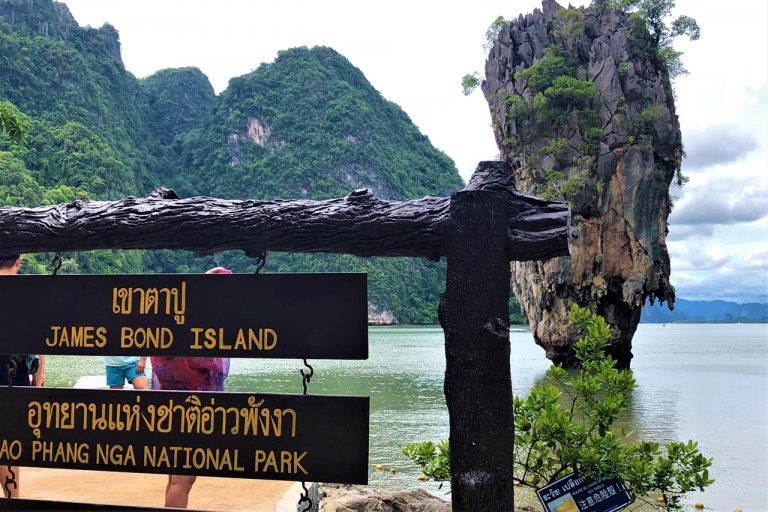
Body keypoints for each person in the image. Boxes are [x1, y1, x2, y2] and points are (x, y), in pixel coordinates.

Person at [151, 266, 232, 508]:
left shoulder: (174, 320)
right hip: (196, 408)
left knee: (175, 477)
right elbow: (216, 365)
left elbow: (161, 367)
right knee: (183, 480)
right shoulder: (205, 327)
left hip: (169, 406)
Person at [0, 254, 44, 498]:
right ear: (18, 261)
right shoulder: (26, 295)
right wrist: (38, 379)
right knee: (8, 441)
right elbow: (39, 338)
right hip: (14, 373)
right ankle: (12, 499)